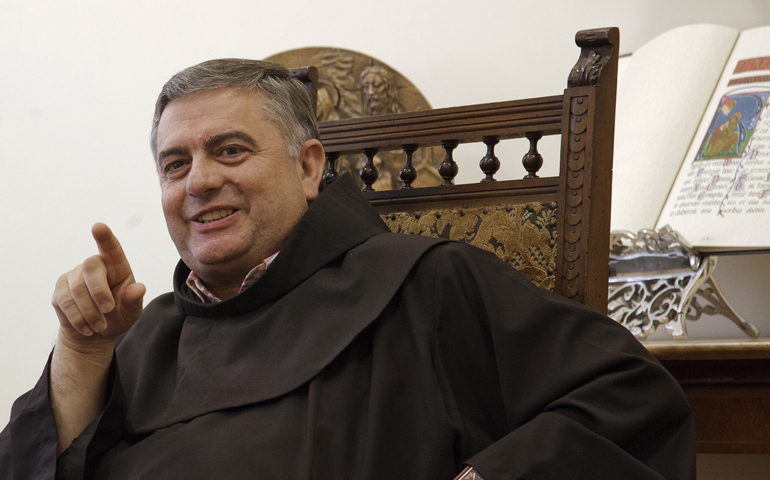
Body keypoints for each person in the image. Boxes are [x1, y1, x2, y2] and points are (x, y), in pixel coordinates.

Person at [0, 59, 695, 479]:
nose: (197, 182)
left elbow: (632, 401)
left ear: (308, 168)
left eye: (231, 150)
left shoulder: (427, 285)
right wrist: (82, 349)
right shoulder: (148, 336)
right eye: (174, 164)